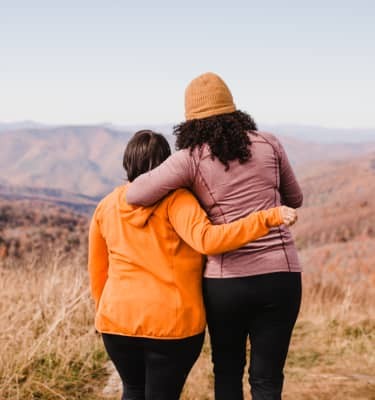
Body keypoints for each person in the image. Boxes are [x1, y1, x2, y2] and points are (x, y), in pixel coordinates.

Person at [126, 73, 304, 400]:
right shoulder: (270, 143)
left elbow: (135, 194)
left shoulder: (189, 159)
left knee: (227, 371)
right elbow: (295, 199)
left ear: (189, 121)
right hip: (282, 275)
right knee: (267, 379)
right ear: (234, 109)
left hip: (226, 283)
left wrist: (184, 187)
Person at [88, 130, 297, 400]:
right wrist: (266, 219)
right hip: (171, 325)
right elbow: (209, 241)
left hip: (116, 322)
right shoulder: (177, 201)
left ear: (127, 163)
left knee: (133, 390)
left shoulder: (106, 206)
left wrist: (101, 314)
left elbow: (97, 270)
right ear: (166, 165)